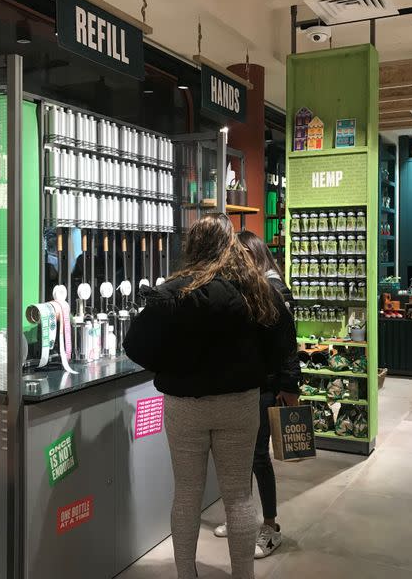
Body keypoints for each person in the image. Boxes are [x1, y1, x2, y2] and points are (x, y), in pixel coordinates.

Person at [123, 214, 296, 579]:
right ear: (230, 245)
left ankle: (186, 573)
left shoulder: (174, 291)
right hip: (240, 403)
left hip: (185, 407)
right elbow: (283, 339)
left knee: (186, 493)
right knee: (238, 496)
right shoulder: (255, 290)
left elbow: (134, 344)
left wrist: (167, 368)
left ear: (192, 246)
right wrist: (263, 374)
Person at [210, 231, 301, 559]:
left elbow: (287, 344)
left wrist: (289, 386)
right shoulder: (255, 288)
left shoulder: (272, 290)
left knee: (258, 457)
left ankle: (270, 525)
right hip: (252, 385)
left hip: (266, 386)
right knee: (244, 456)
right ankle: (243, 518)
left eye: (240, 256)